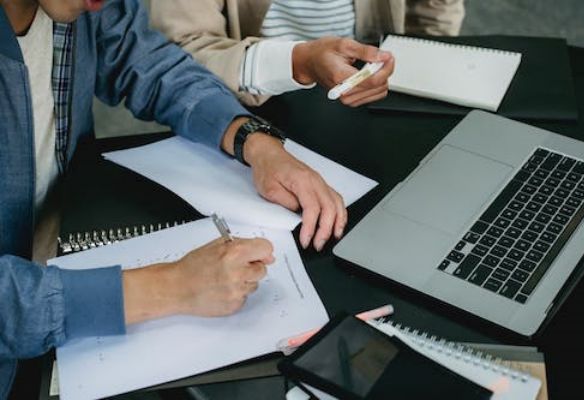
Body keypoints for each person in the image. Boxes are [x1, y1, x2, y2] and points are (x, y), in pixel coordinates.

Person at [0, 0, 347, 397]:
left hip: (62, 253)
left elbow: (145, 62)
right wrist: (172, 286)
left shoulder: (85, 7)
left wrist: (253, 141)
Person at [149, 0, 465, 107]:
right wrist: (299, 62)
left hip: (373, 87)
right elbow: (177, 55)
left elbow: (435, 9)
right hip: (248, 95)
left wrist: (416, 61)